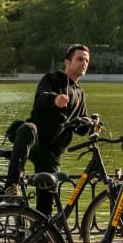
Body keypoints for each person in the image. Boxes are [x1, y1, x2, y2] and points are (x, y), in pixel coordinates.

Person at [25, 44, 91, 212]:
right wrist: (55, 100)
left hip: (56, 151)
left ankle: (41, 233)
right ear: (67, 62)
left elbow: (80, 127)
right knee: (47, 198)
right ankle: (42, 236)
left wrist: (92, 126)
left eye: (87, 60)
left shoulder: (80, 93)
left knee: (47, 197)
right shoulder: (52, 79)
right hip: (41, 144)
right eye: (80, 59)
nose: (84, 63)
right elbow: (41, 98)